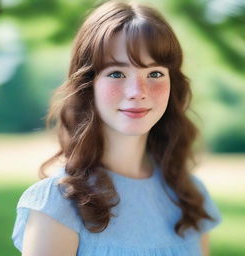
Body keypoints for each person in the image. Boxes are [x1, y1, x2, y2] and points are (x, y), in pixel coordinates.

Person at [12, 0, 222, 255]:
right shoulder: (58, 204)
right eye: (116, 73)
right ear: (88, 84)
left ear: (172, 85)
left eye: (155, 73)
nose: (137, 92)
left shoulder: (191, 195)